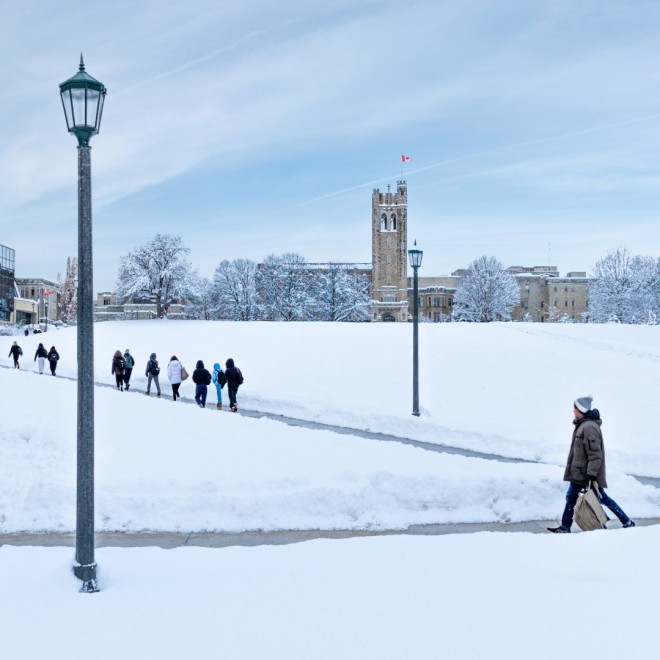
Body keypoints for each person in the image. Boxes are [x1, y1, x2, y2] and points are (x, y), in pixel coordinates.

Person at [548, 395, 635, 533]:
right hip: (581, 472)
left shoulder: (589, 427)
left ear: (580, 410)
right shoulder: (583, 425)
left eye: (574, 408)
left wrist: (591, 474)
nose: (573, 411)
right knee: (574, 497)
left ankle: (626, 521)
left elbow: (595, 454)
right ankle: (565, 527)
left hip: (586, 474)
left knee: (600, 498)